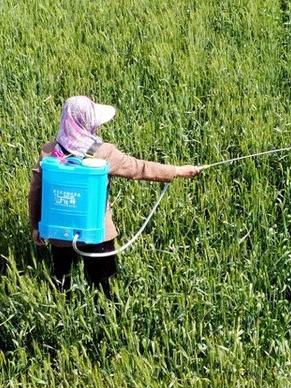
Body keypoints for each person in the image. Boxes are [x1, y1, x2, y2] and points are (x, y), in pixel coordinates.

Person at [28, 96, 201, 299]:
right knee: (104, 286)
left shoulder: (49, 153)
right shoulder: (103, 153)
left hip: (60, 234)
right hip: (97, 233)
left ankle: (64, 310)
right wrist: (177, 171)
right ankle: (106, 319)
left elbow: (35, 193)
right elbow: (140, 168)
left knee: (61, 280)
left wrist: (36, 226)